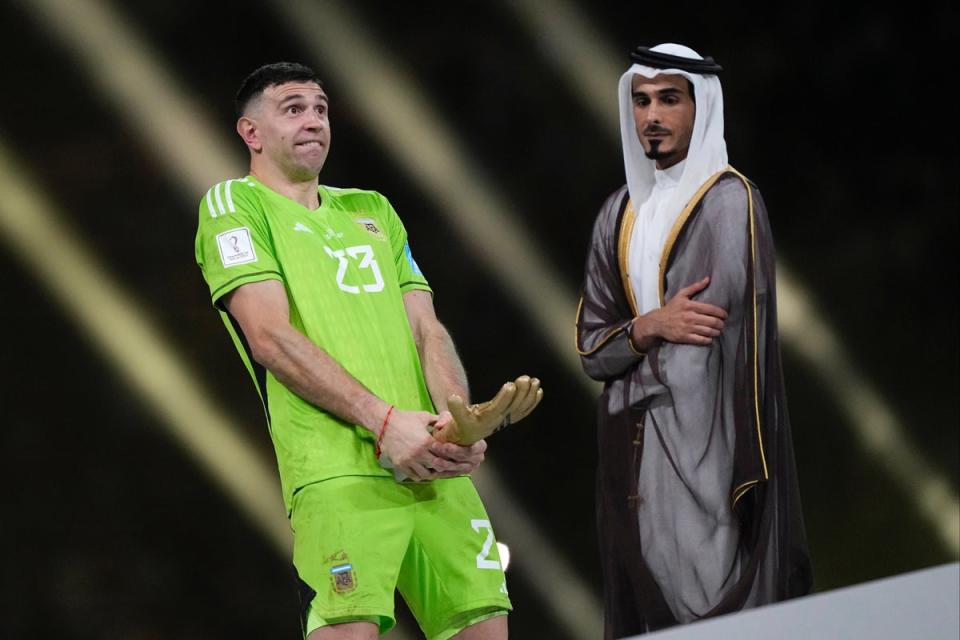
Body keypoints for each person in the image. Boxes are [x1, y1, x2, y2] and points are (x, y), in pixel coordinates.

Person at [195, 62, 540, 640]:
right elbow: (270, 336)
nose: (314, 121)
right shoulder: (233, 206)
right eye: (293, 108)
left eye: (322, 108)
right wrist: (384, 423)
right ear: (250, 133)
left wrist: (461, 422)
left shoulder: (372, 210)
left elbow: (428, 329)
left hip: (432, 464)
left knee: (485, 629)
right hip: (338, 473)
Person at [575, 43, 812, 636]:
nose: (652, 115)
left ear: (700, 107)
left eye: (669, 100)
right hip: (628, 454)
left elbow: (708, 340)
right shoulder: (617, 213)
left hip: (711, 451)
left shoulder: (731, 202)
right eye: (641, 100)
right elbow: (589, 348)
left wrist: (632, 349)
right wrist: (649, 326)